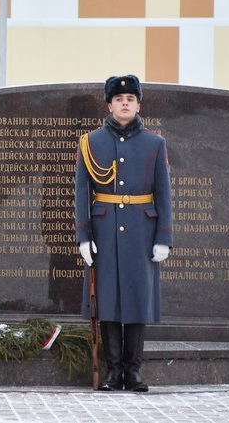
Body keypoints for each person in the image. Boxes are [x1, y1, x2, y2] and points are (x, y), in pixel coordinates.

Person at [75, 75, 172, 392]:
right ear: (109, 105)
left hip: (142, 232)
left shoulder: (155, 144)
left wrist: (163, 238)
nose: (125, 103)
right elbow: (82, 193)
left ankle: (134, 372)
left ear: (139, 104)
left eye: (131, 98)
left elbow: (163, 193)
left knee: (136, 299)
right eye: (119, 99)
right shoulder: (90, 143)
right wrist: (84, 236)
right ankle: (113, 372)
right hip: (104, 232)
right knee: (108, 301)